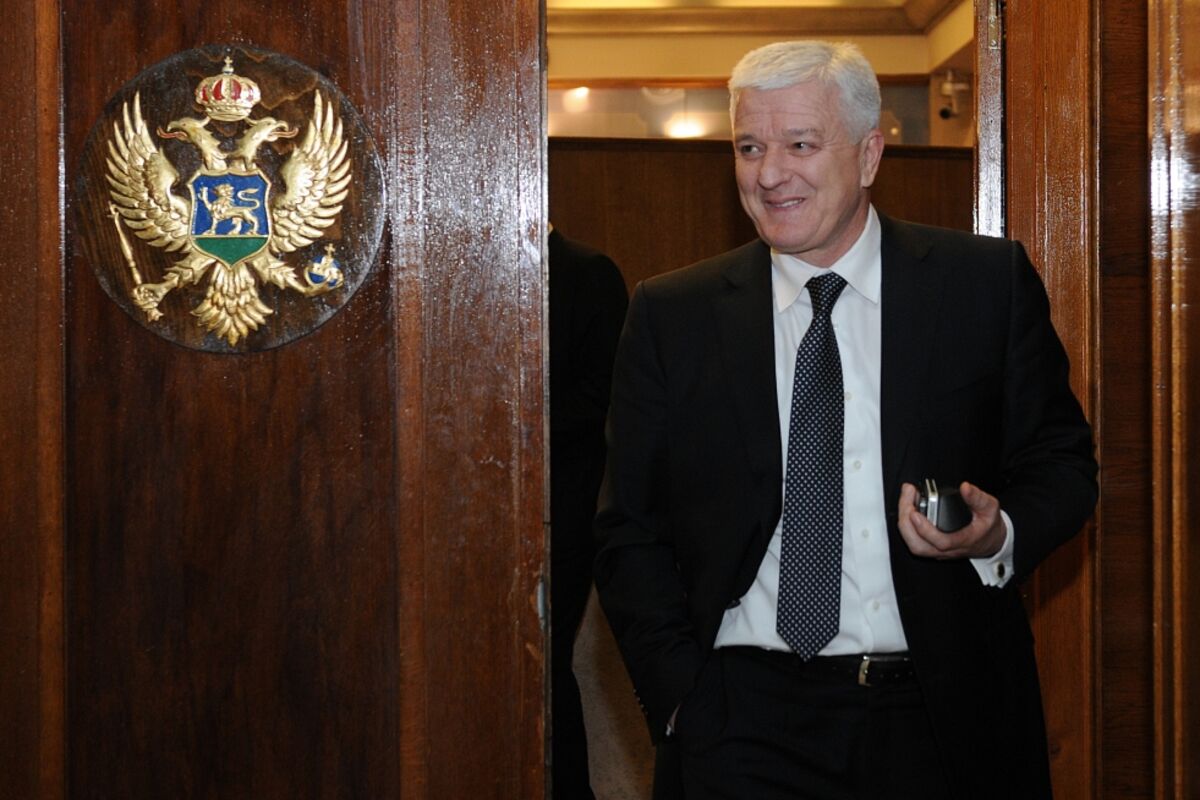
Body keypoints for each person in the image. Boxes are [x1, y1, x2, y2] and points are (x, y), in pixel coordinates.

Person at [593, 41, 1097, 800]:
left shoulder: (981, 287)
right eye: (750, 147)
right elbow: (627, 526)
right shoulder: (673, 315)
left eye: (799, 145)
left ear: (868, 155)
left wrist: (995, 535)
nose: (769, 174)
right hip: (742, 720)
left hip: (941, 717)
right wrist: (681, 702)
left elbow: (1062, 465)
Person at [548, 224, 629, 799]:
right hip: (478, 506)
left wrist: (514, 418)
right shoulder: (474, 269)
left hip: (566, 507)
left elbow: (606, 392)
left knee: (546, 665)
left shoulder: (587, 271)